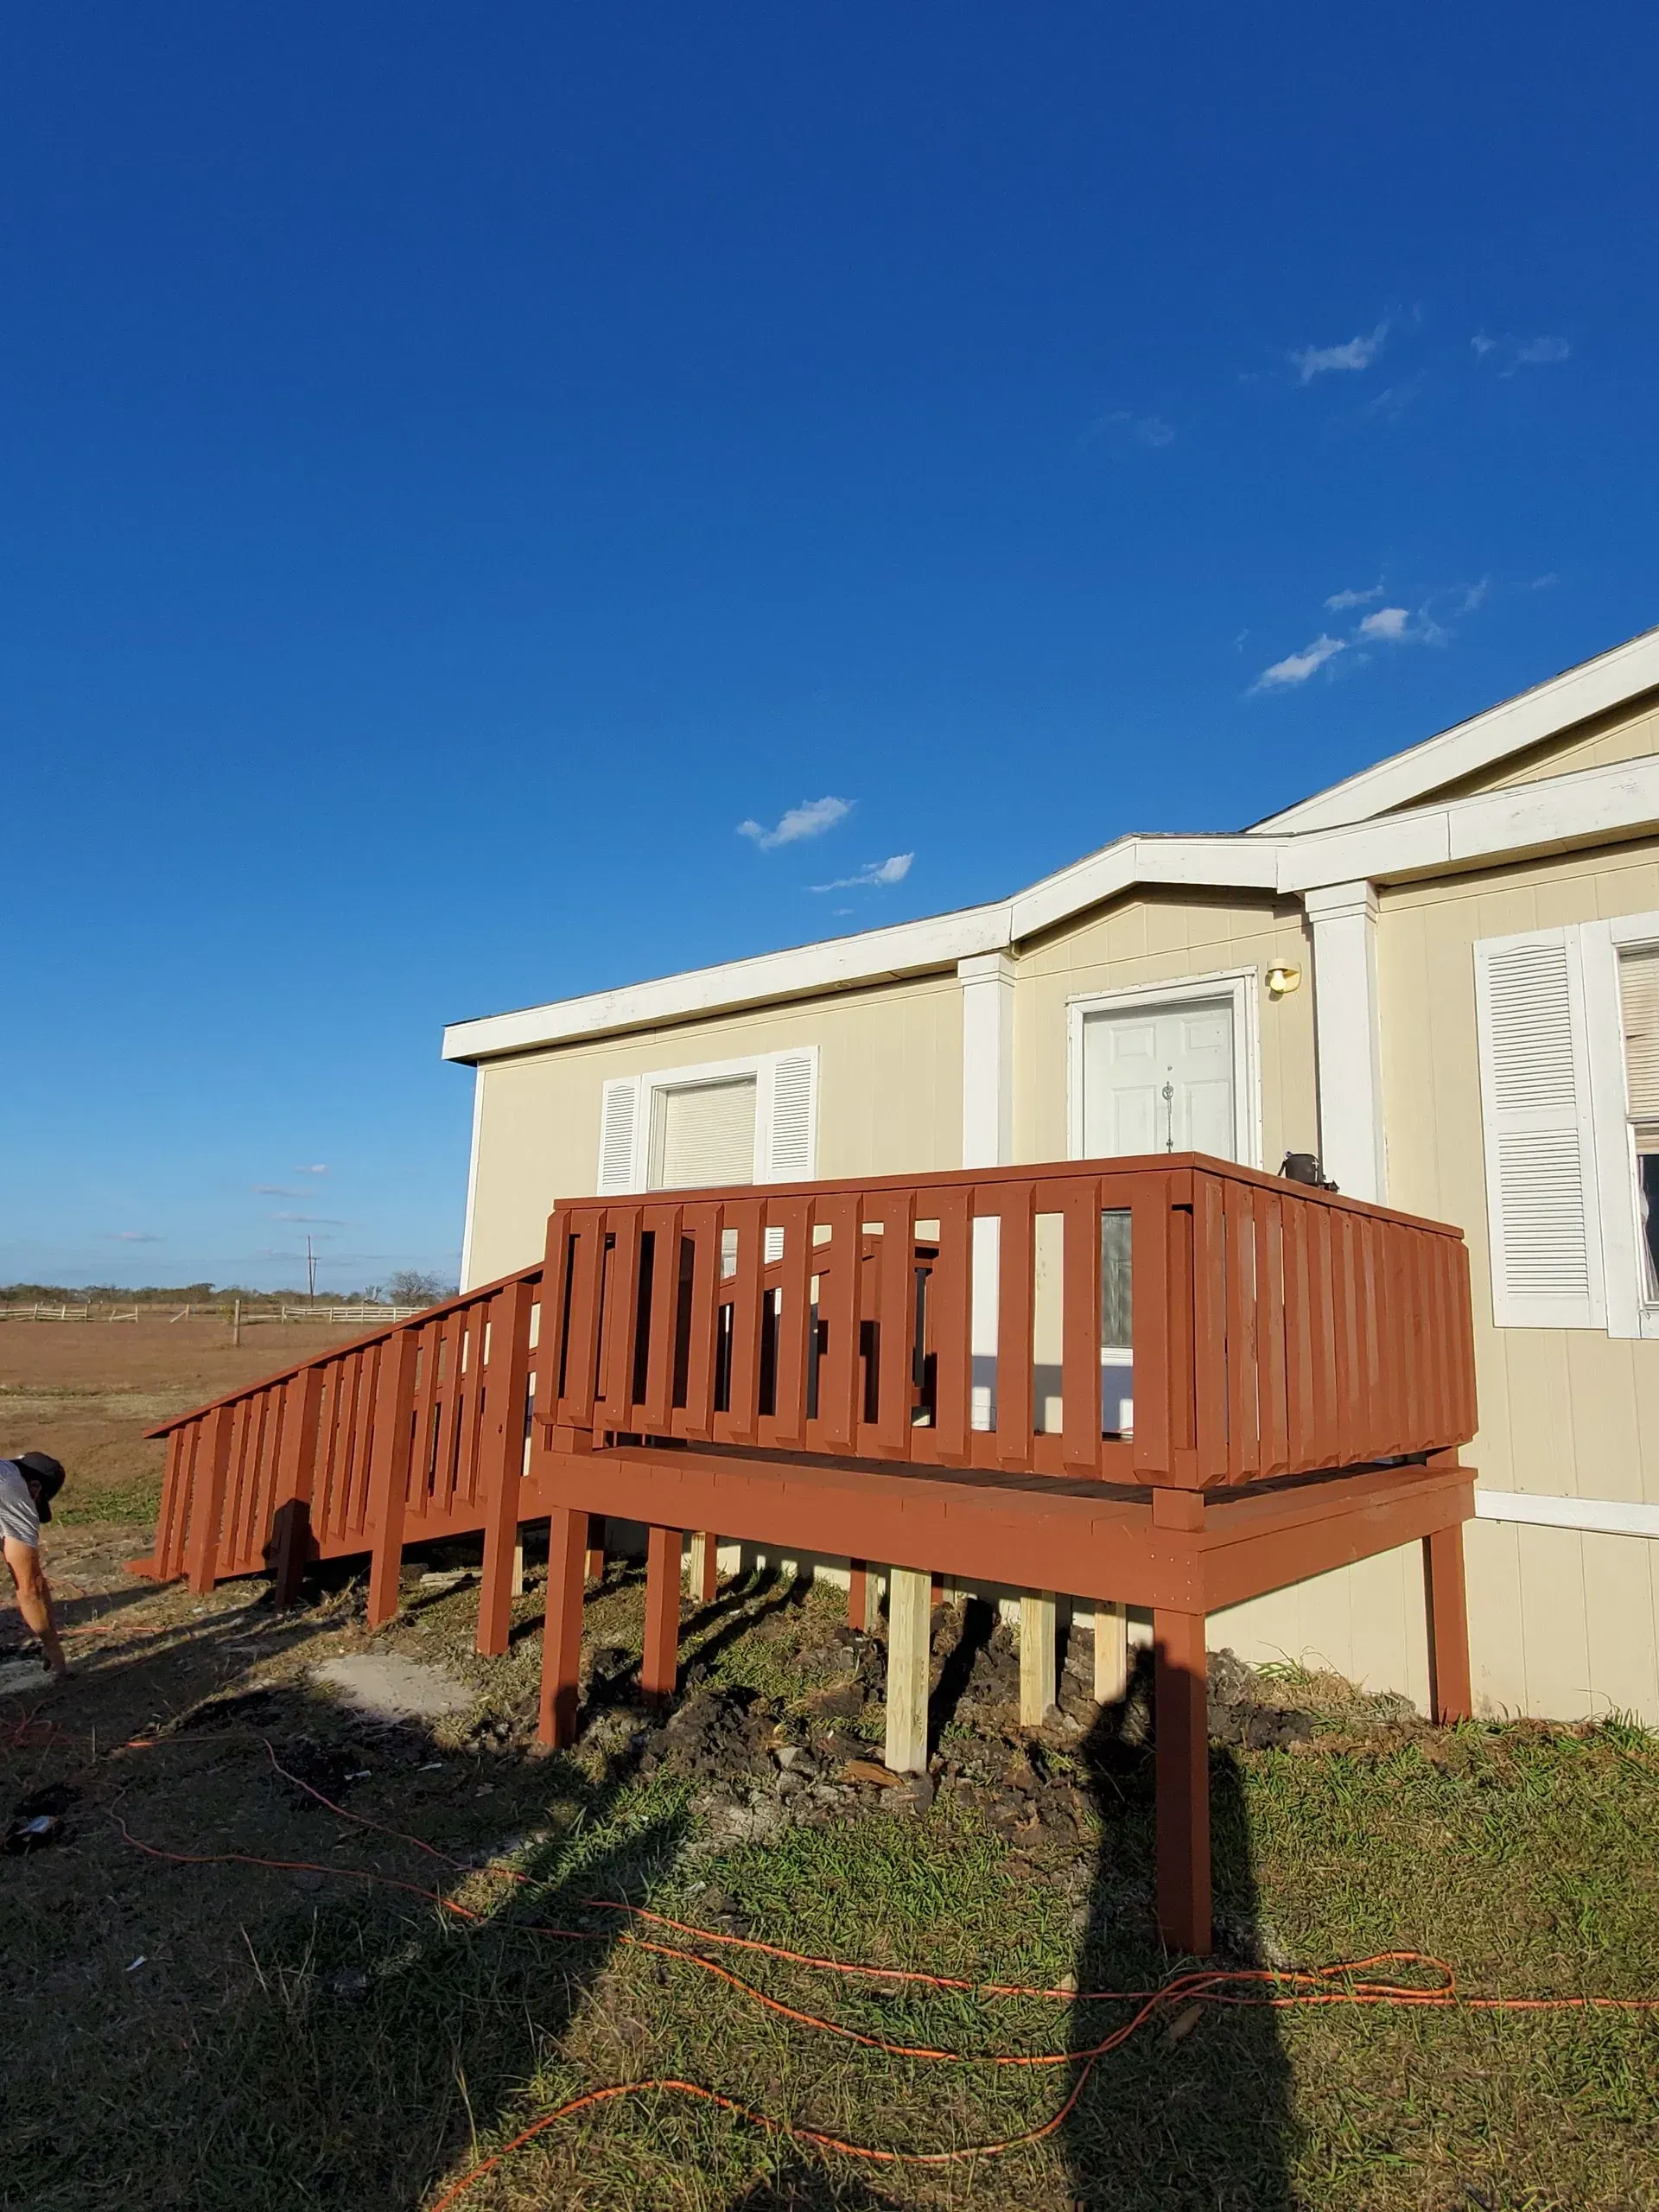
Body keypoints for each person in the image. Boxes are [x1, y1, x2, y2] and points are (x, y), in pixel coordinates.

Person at [1, 1451, 69, 1678]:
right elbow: (31, 1588)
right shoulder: (15, 1488)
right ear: (36, 1488)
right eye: (37, 1503)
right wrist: (54, 1650)